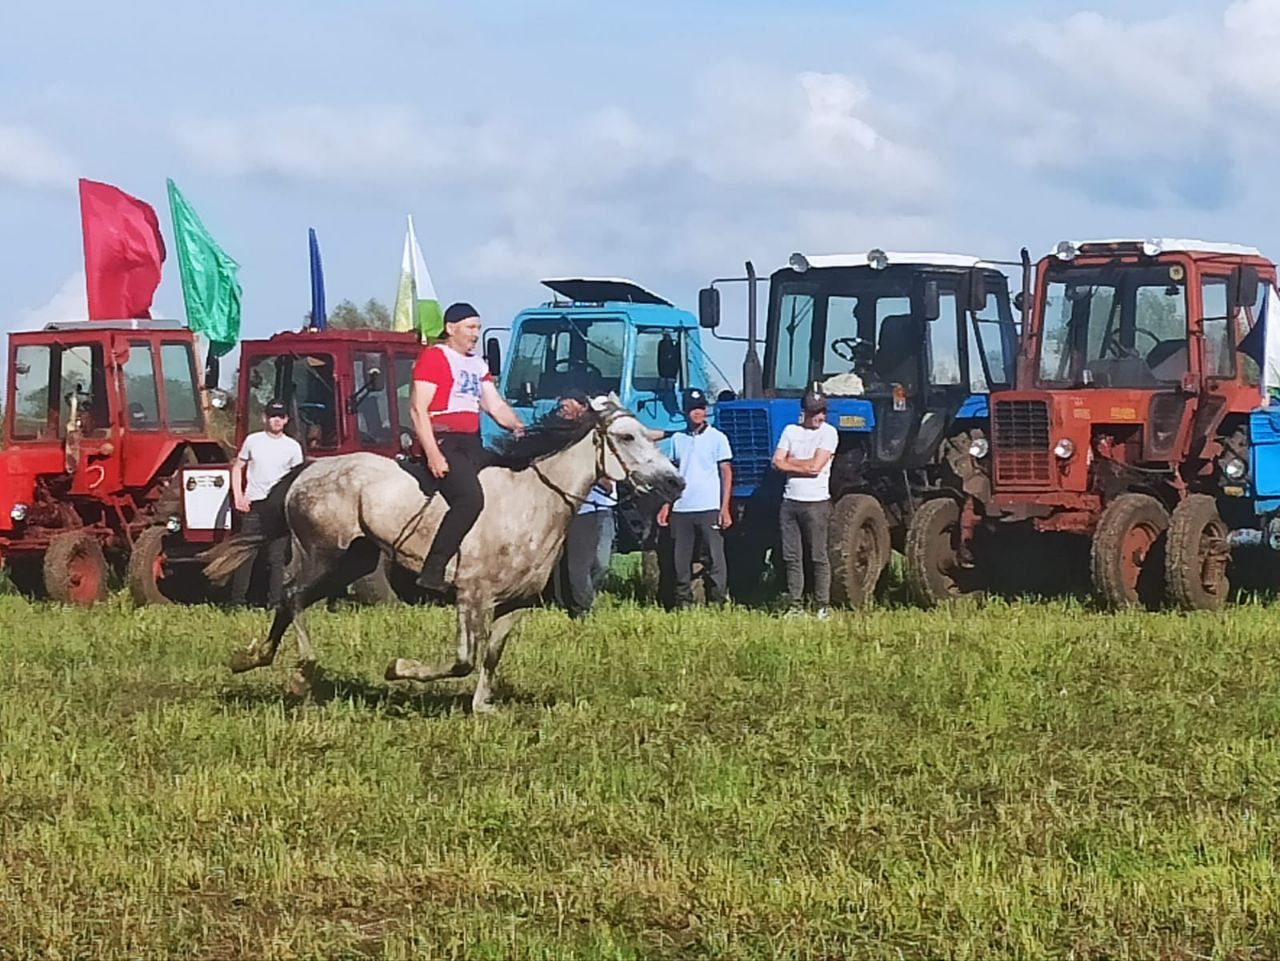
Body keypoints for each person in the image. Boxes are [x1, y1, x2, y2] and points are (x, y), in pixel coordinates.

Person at [410, 301, 525, 594]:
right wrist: (433, 454)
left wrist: (516, 426)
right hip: (443, 439)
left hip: (471, 441)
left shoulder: (477, 364)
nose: (476, 334)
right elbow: (417, 409)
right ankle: (433, 569)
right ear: (450, 328)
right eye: (470, 327)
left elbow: (495, 405)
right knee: (469, 499)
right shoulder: (435, 357)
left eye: (478, 328)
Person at [657, 388, 733, 607]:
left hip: (709, 506)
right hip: (682, 509)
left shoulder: (718, 438)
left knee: (715, 559)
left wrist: (724, 507)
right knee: (680, 561)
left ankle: (717, 602)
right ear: (685, 412)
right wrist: (666, 505)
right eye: (692, 409)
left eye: (700, 408)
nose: (697, 413)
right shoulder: (677, 439)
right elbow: (673, 477)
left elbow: (726, 472)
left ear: (706, 410)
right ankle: (683, 604)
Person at [230, 399, 304, 608]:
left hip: (278, 510)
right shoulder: (253, 441)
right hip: (253, 506)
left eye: (280, 417)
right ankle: (237, 604)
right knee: (246, 556)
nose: (277, 420)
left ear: (286, 420)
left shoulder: (292, 447)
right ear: (265, 418)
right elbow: (238, 467)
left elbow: (297, 479)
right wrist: (238, 496)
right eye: (273, 416)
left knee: (276, 559)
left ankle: (274, 604)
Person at [772, 389, 839, 618]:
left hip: (816, 503)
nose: (819, 417)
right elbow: (776, 462)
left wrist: (790, 462)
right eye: (814, 412)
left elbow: (815, 468)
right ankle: (795, 605)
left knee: (818, 556)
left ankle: (822, 605)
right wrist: (802, 464)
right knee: (792, 557)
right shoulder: (790, 431)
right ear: (804, 413)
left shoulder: (829, 433)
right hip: (790, 502)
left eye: (822, 411)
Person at [556, 389, 618, 617]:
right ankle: (580, 607)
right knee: (575, 563)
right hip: (578, 508)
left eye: (565, 406)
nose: (561, 410)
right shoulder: (565, 435)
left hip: (602, 506)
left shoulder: (598, 436)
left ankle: (583, 595)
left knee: (601, 562)